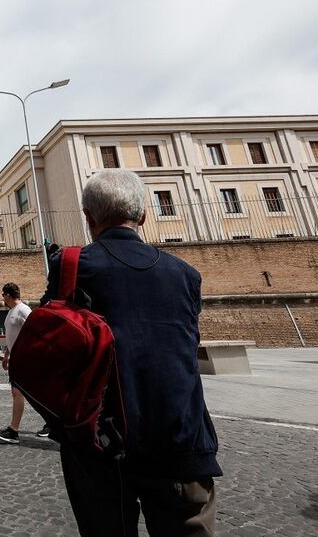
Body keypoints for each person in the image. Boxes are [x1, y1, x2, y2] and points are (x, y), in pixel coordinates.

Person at [39, 169, 221, 536]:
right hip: (179, 436)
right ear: (143, 216)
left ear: (88, 218)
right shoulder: (186, 274)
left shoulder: (71, 268)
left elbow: (50, 349)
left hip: (100, 441)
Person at [0, 282, 33, 444]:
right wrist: (6, 354)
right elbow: (11, 336)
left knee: (19, 393)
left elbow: (33, 332)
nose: (2, 298)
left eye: (3, 295)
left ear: (8, 295)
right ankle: (14, 430)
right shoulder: (11, 312)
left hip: (23, 359)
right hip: (15, 359)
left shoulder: (23, 310)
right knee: (21, 393)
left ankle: (13, 431)